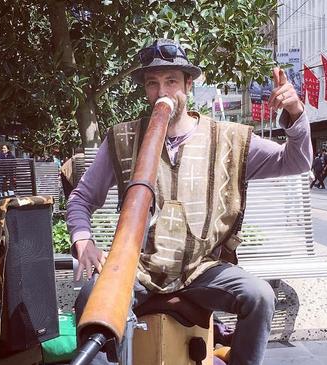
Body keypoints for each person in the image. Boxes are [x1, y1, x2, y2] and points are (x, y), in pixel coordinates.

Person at [66, 38, 312, 365]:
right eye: (153, 84)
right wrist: (83, 241)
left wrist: (295, 112)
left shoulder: (229, 138)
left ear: (189, 84)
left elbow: (295, 161)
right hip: (136, 269)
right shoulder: (122, 137)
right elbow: (81, 198)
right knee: (90, 302)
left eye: (171, 81)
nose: (162, 92)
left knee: (260, 297)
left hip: (201, 268)